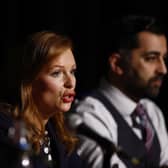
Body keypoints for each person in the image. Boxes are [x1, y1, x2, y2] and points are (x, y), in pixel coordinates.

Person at [67, 15, 168, 168]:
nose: (163, 69)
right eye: (151, 58)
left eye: (164, 59)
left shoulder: (152, 112)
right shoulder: (89, 114)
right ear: (116, 64)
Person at [0, 31, 86, 168]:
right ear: (29, 81)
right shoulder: (7, 132)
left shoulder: (58, 135)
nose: (71, 82)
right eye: (57, 73)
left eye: (72, 72)